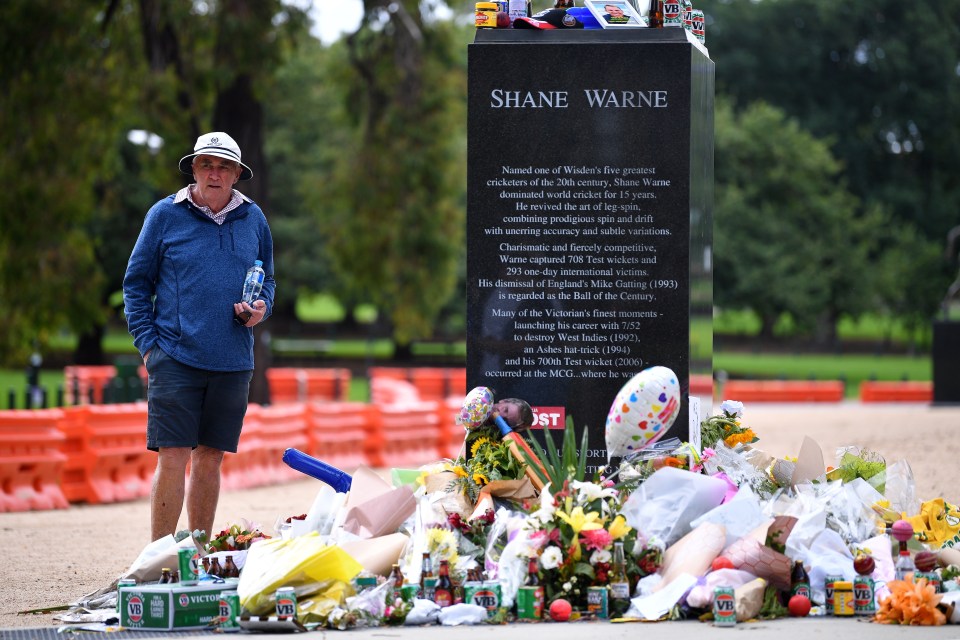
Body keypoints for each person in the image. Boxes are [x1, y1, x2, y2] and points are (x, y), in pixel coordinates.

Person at [123, 131, 275, 541]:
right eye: (207, 163)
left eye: (224, 166)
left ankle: (199, 555)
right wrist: (149, 347)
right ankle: (159, 562)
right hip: (174, 357)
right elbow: (136, 283)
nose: (214, 172)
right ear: (193, 168)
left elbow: (268, 281)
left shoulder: (254, 219)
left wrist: (260, 308)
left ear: (236, 175)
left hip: (233, 361)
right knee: (173, 457)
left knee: (210, 458)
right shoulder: (163, 215)